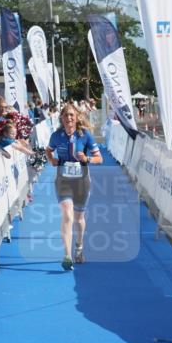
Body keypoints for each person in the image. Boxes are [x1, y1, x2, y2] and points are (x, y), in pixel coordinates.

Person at [46, 103, 102, 271]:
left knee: (78, 218)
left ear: (77, 118)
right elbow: (49, 151)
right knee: (67, 216)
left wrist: (87, 159)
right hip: (63, 180)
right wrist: (52, 160)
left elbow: (99, 158)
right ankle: (67, 256)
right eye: (66, 115)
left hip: (82, 181)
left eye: (72, 115)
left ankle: (79, 247)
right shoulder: (56, 136)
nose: (69, 118)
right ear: (61, 118)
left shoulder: (85, 136)